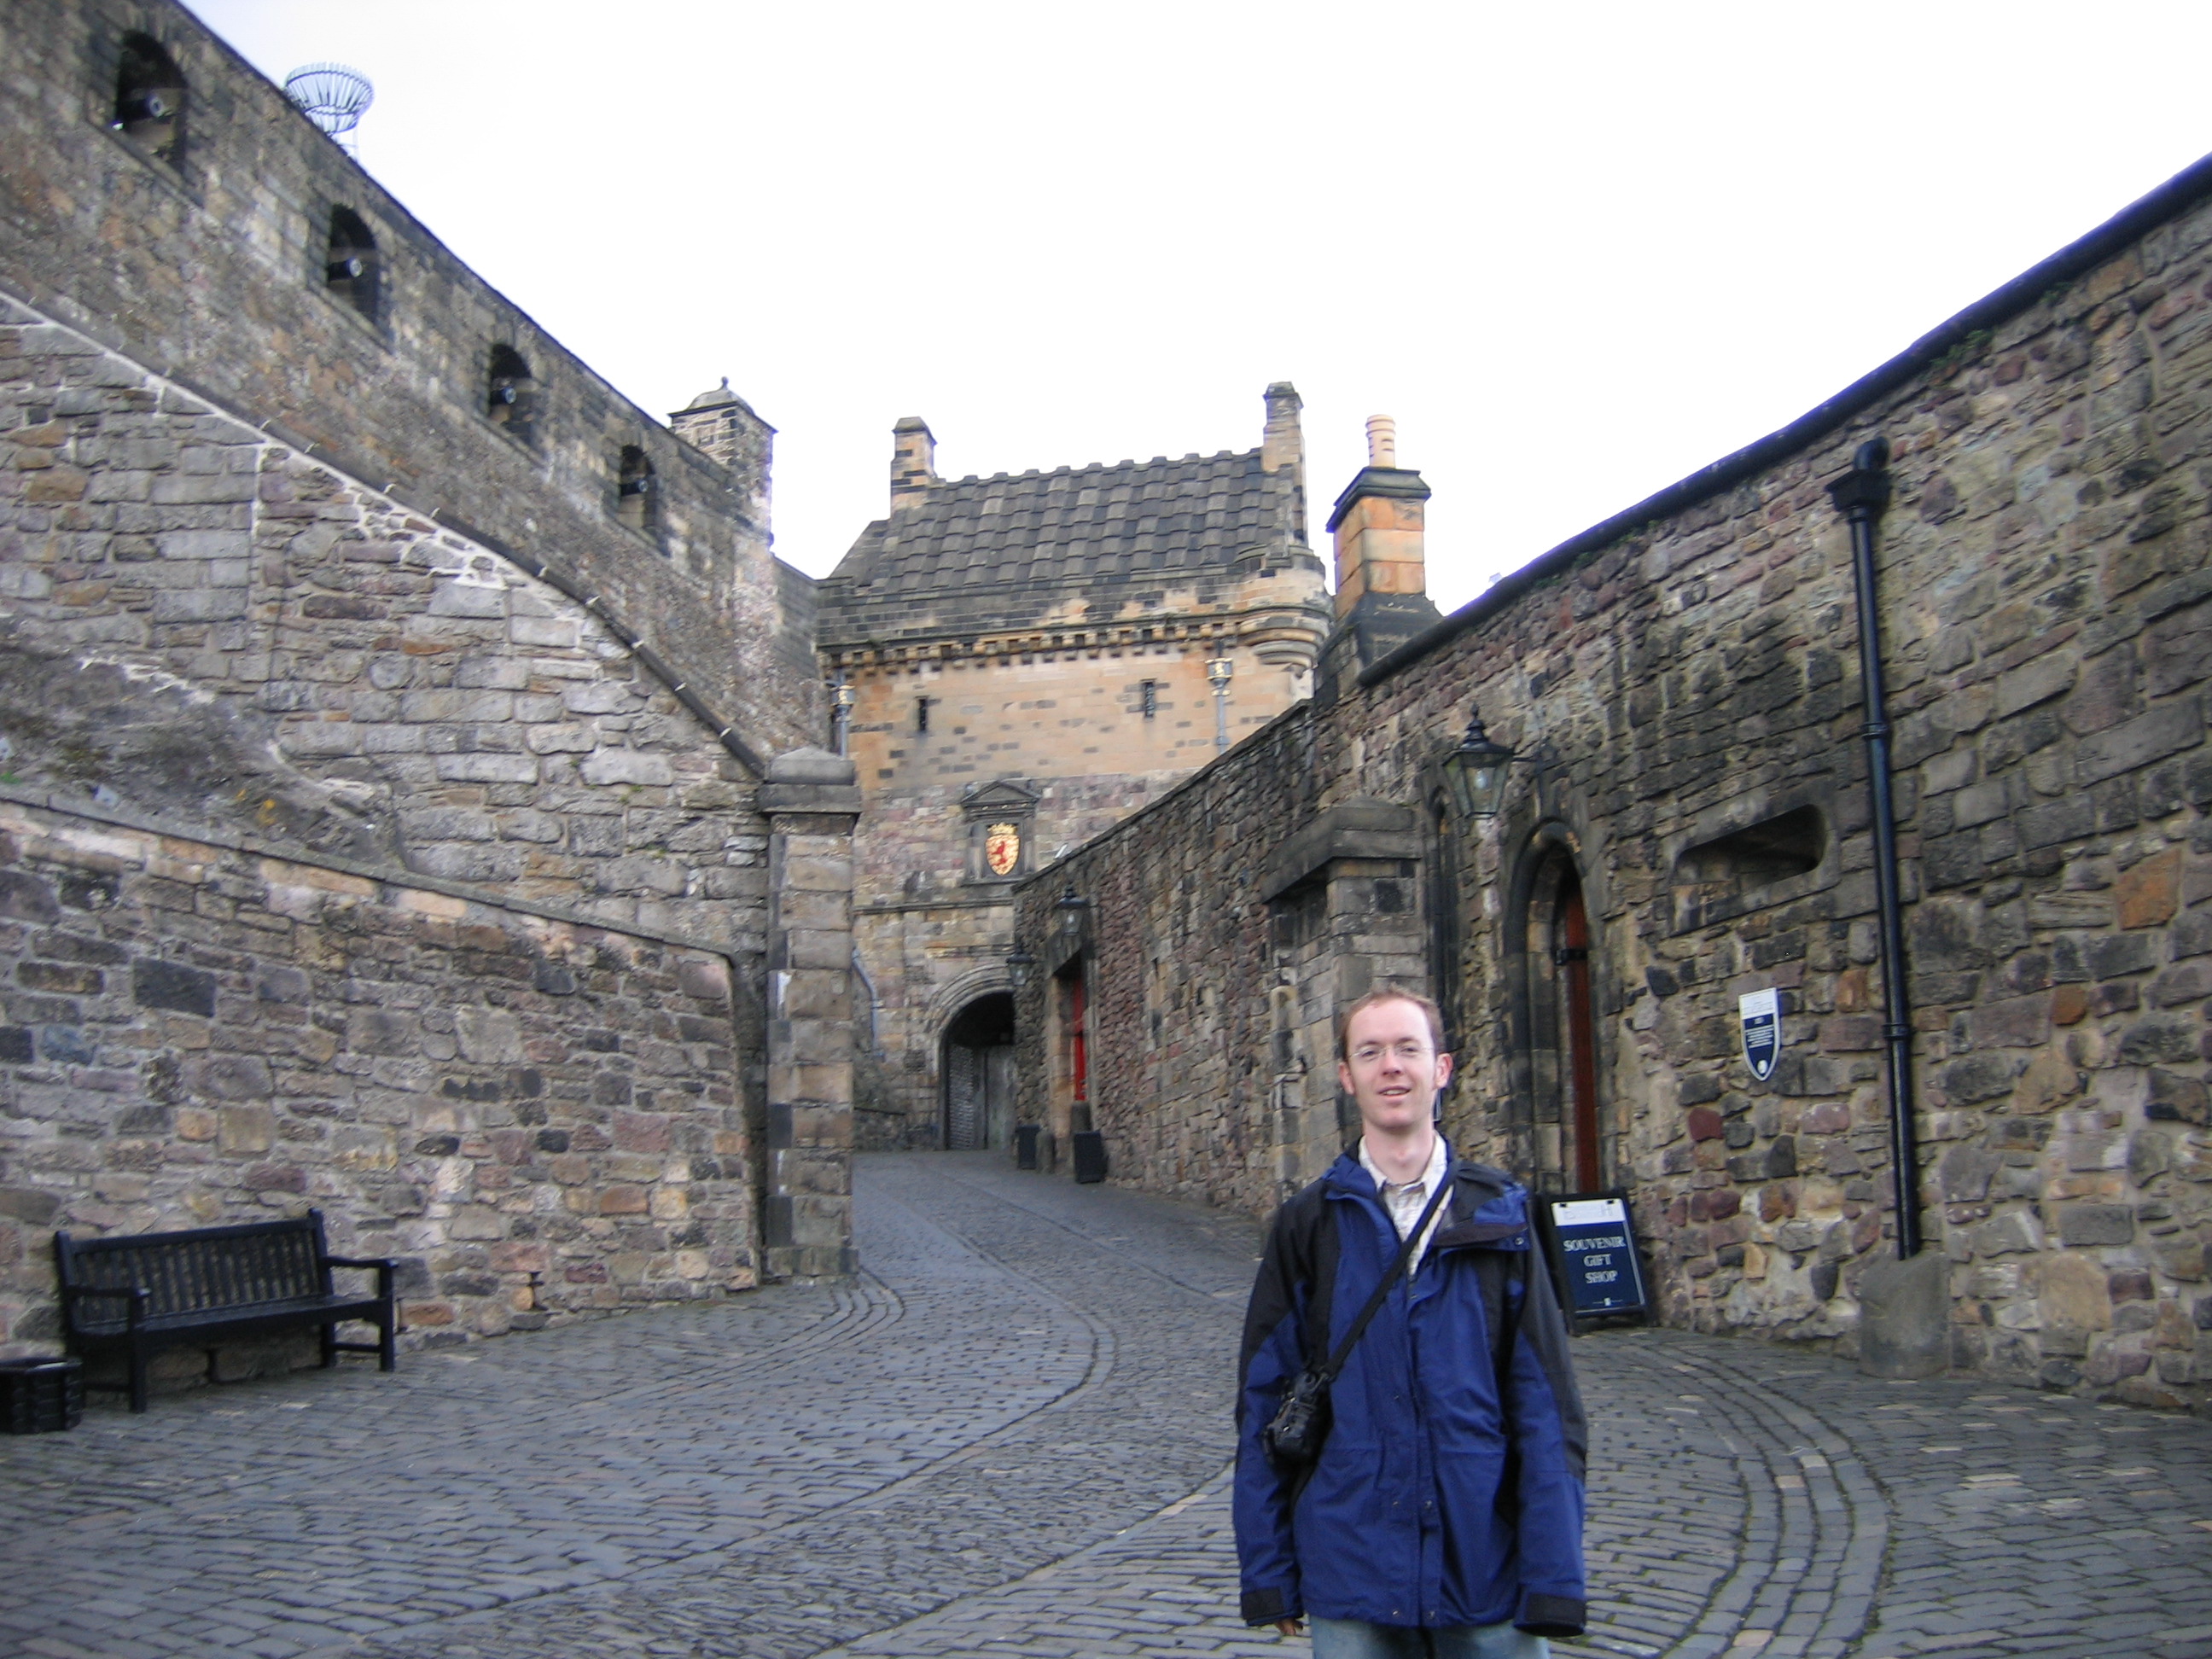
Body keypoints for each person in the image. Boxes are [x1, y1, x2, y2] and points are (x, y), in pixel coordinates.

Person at [1234, 987, 1588, 1658]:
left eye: (1407, 1049)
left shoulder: (1501, 1215)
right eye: (1370, 1052)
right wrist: (1270, 1571)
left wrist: (1554, 1576)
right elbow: (1262, 1403)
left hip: (1484, 1560)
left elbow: (1547, 1407)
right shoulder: (1309, 1226)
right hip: (1352, 1566)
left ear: (1443, 1068)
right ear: (1346, 1076)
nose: (1390, 1066)